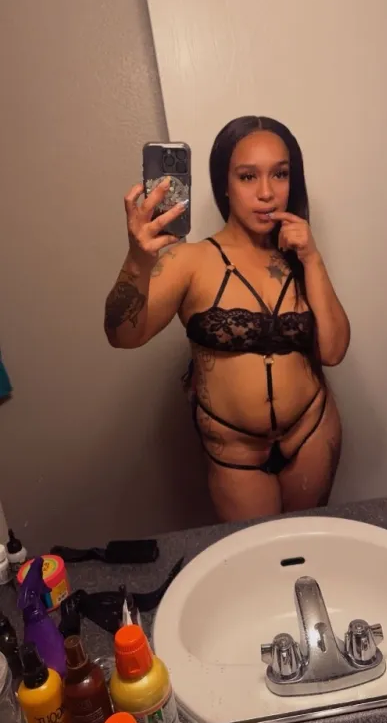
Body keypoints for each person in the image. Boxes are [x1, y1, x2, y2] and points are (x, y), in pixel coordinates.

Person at [104, 116, 350, 521]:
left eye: (280, 174)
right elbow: (122, 336)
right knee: (256, 554)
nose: (267, 193)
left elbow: (334, 351)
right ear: (224, 183)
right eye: (248, 176)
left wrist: (313, 259)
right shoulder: (190, 261)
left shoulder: (298, 256)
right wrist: (138, 259)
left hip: (311, 431)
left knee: (307, 543)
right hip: (235, 454)